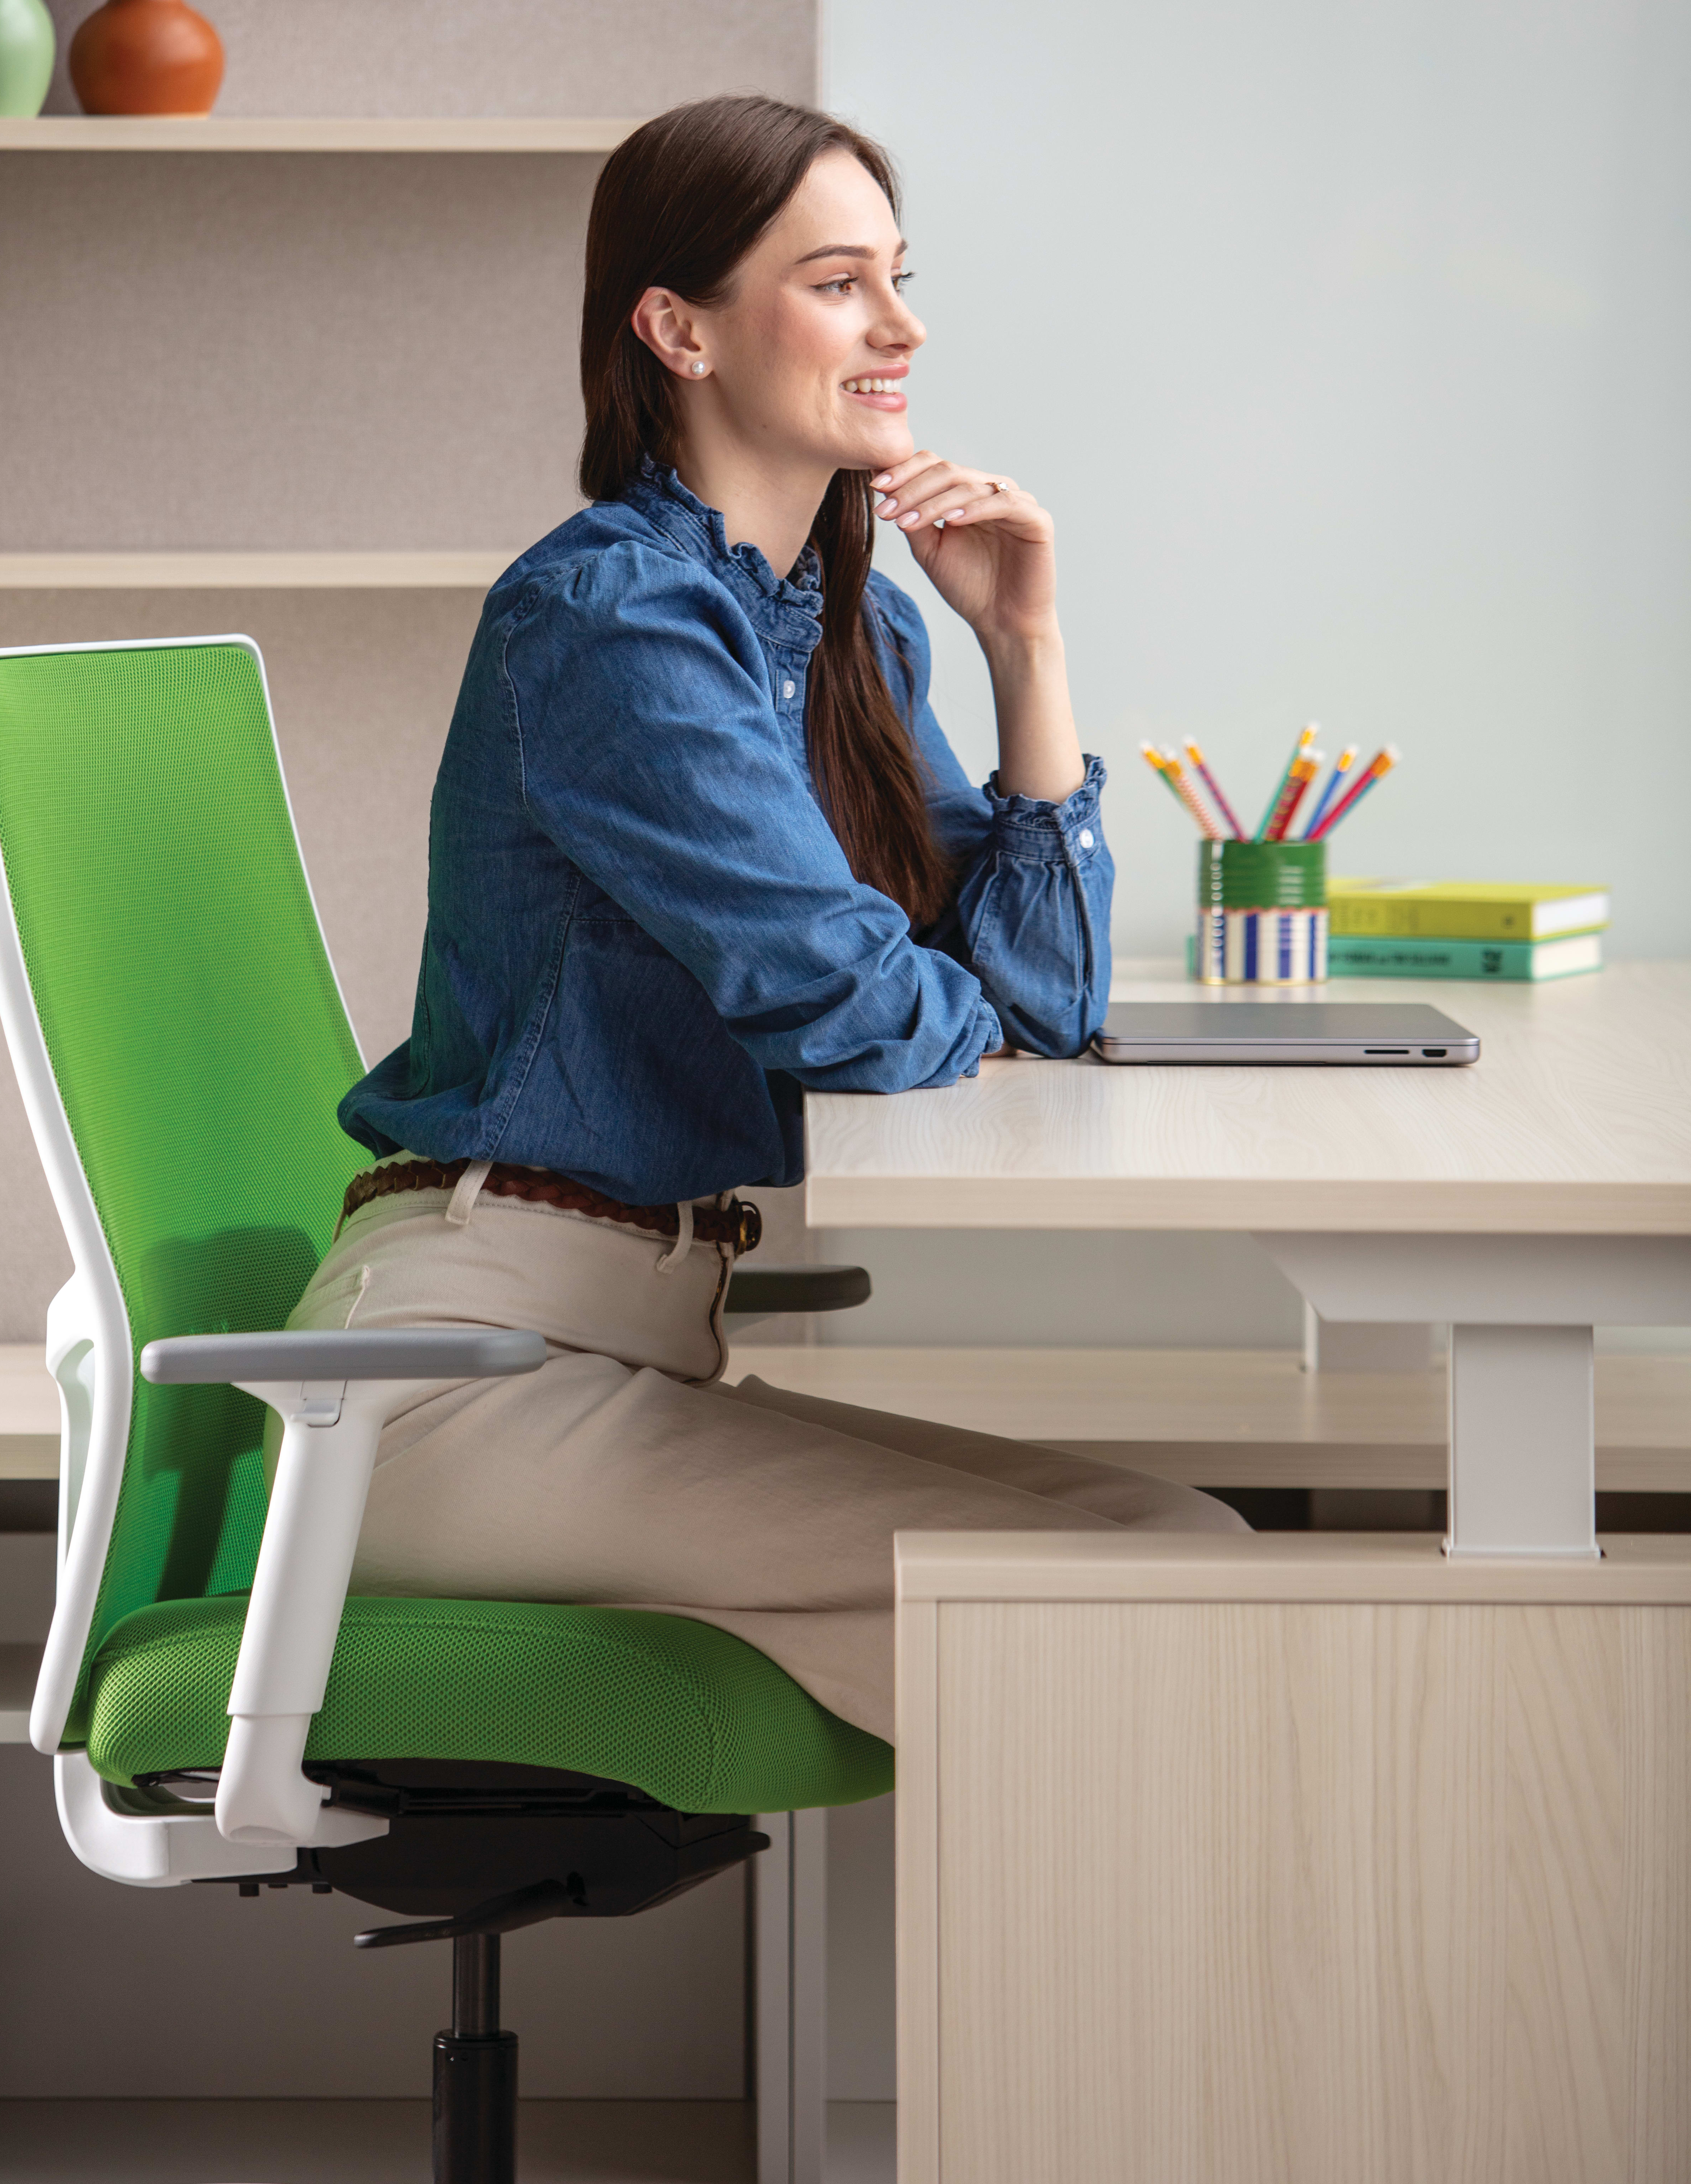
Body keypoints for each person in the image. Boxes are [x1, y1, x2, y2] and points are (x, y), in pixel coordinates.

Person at [292, 95, 1242, 1742]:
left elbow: (1039, 995)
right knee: (1150, 1596)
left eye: (899, 276)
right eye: (836, 283)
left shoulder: (858, 624)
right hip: (455, 1389)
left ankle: (1104, 1989)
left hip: (624, 1361)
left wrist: (1026, 645)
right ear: (678, 330)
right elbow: (855, 1013)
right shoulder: (609, 621)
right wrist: (936, 991)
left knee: (1176, 1571)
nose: (903, 325)